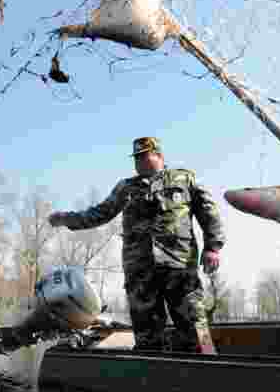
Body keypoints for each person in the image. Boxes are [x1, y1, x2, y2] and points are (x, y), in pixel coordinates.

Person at [48, 137, 225, 353]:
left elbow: (209, 211)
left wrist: (212, 247)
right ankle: (151, 378)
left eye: (144, 156)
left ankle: (208, 369)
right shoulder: (126, 187)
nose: (139, 162)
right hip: (140, 273)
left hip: (180, 267)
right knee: (147, 335)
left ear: (159, 156)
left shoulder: (184, 178)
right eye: (136, 158)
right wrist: (67, 219)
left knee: (197, 328)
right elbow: (100, 213)